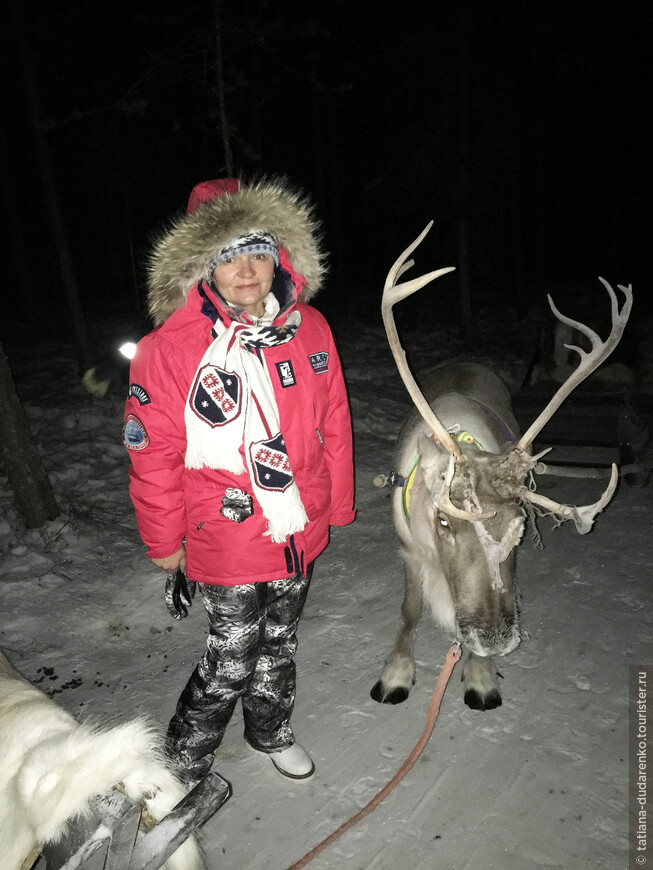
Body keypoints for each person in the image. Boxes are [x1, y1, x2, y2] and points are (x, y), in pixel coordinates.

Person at [123, 177, 355, 787]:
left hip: (296, 523)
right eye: (228, 256)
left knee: (280, 640)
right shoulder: (168, 350)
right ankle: (182, 759)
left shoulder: (310, 329)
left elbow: (335, 422)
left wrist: (338, 504)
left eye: (257, 251)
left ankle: (270, 731)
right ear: (204, 267)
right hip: (222, 530)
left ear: (280, 257)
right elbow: (154, 457)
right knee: (230, 658)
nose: (246, 270)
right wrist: (164, 543)